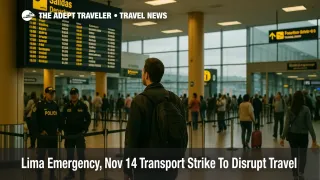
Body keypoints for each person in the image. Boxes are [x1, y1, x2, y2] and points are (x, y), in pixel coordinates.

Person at [124, 58, 187, 180]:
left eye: (143, 72)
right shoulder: (174, 99)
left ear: (146, 75)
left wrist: (127, 168)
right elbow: (183, 133)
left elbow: (132, 138)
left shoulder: (139, 101)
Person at [280, 91, 318, 180]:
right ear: (303, 98)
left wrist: (282, 137)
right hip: (303, 136)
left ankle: (294, 172)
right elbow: (309, 125)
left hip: (293, 135)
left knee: (294, 154)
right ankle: (301, 171)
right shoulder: (306, 109)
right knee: (303, 154)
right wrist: (314, 138)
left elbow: (286, 125)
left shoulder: (290, 109)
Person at [32, 87, 63, 180]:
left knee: (52, 156)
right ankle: (39, 173)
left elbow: (59, 119)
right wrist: (40, 130)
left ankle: (52, 173)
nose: (52, 95)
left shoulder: (55, 105)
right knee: (41, 155)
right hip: (43, 137)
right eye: (50, 93)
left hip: (53, 136)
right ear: (45, 94)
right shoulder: (39, 105)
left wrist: (59, 129)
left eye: (53, 93)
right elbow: (34, 120)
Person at [63, 88, 91, 180]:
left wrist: (84, 130)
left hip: (79, 135)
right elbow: (62, 119)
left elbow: (88, 119)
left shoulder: (83, 106)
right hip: (69, 135)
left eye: (75, 93)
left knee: (81, 155)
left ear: (78, 95)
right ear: (70, 95)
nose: (73, 95)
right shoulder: (66, 106)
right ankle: (71, 173)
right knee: (69, 155)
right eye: (72, 94)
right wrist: (64, 130)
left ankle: (82, 174)